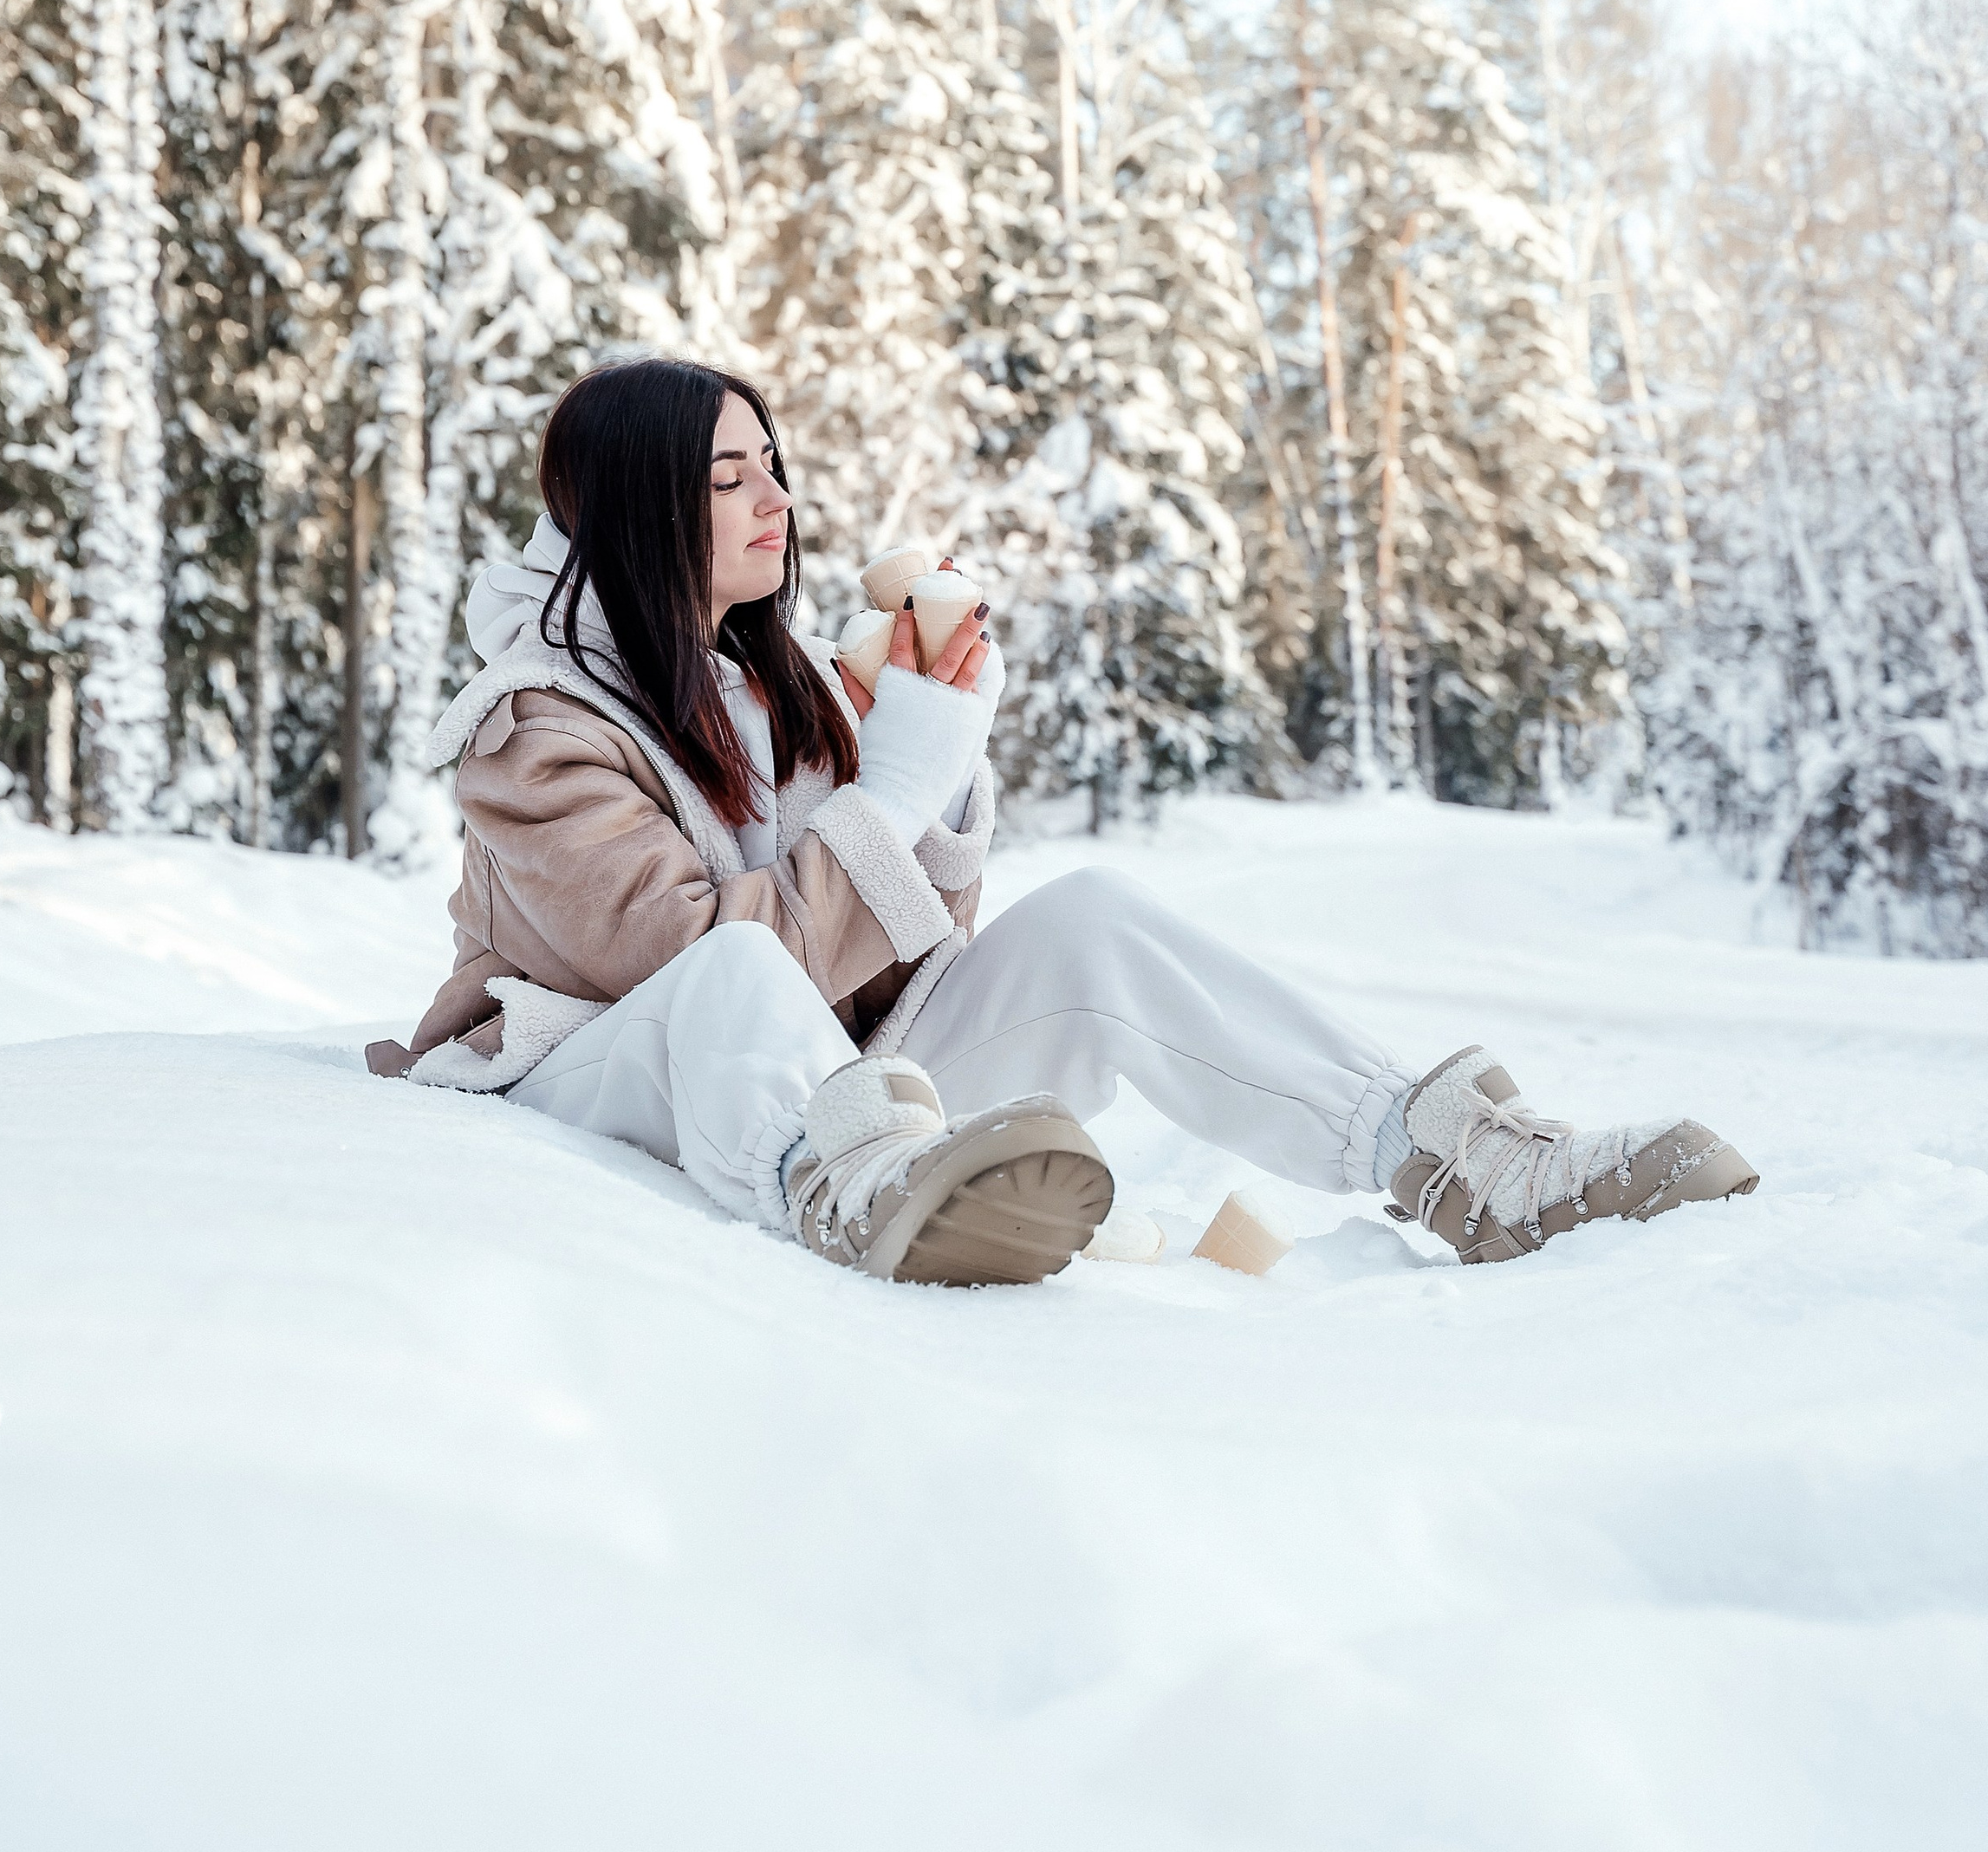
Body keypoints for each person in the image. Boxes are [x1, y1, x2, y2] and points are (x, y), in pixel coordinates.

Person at [368, 356, 1758, 1287]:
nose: (778, 499)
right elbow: (687, 968)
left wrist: (939, 770)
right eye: (729, 478)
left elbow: (909, 954)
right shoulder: (536, 727)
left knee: (1092, 921)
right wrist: (888, 796)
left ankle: (1456, 1157)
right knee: (730, 968)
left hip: (834, 1097)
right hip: (614, 1081)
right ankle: (870, 1193)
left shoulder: (774, 683)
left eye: (771, 464)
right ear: (633, 508)